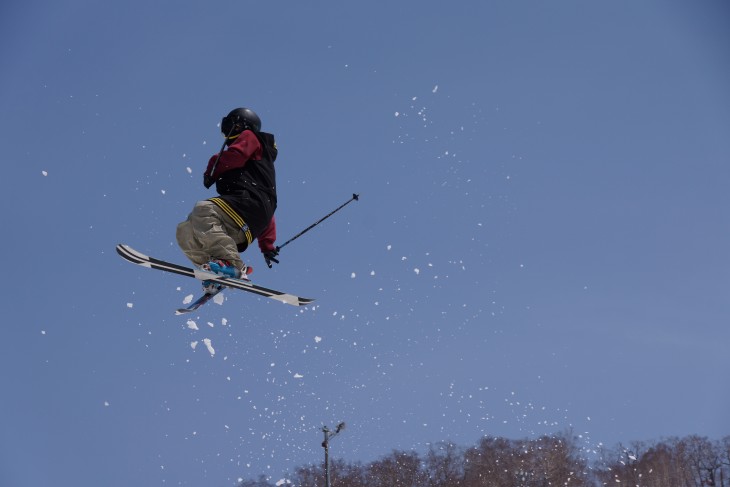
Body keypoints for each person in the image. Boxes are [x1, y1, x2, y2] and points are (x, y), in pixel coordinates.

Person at [176, 107, 280, 292]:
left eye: (229, 124)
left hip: (247, 204)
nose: (226, 130)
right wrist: (267, 245)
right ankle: (215, 270)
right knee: (185, 231)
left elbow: (236, 156)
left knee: (203, 209)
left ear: (240, 124)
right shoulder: (256, 171)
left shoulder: (250, 137)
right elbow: (266, 212)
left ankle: (231, 264)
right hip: (248, 217)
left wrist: (212, 168)